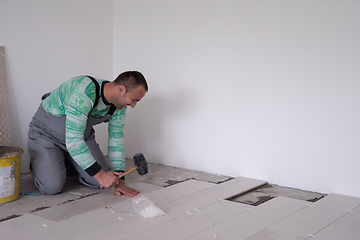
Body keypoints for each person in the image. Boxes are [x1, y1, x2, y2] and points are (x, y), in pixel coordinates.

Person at [27, 71, 148, 197]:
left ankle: (69, 160)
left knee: (102, 182)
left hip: (81, 137)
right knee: (51, 187)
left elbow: (116, 141)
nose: (133, 105)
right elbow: (74, 141)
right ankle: (41, 163)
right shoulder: (84, 92)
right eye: (134, 100)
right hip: (47, 134)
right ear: (121, 90)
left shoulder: (120, 106)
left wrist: (120, 180)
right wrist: (99, 174)